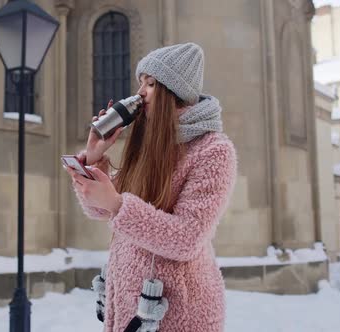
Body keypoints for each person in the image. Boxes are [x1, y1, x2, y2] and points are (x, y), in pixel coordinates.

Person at [65, 42, 237, 332]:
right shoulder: (150, 145)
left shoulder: (213, 151)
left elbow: (188, 238)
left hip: (176, 313)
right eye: (141, 82)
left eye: (152, 83)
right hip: (129, 307)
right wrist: (94, 157)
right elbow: (100, 208)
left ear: (174, 91)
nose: (141, 91)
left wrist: (118, 205)